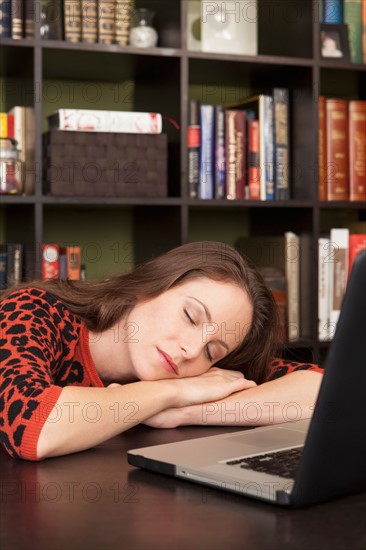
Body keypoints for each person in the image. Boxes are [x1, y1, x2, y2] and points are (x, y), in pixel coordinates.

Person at [0, 241, 323, 461]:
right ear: (149, 286)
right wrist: (175, 389)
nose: (191, 350)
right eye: (190, 316)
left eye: (212, 351)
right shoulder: (33, 310)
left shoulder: (200, 376)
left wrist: (185, 411)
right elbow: (33, 426)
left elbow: (328, 391)